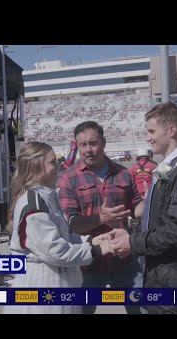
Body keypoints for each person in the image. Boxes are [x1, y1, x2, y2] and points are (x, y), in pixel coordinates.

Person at [107, 101, 177, 314]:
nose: (148, 137)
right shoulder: (168, 168)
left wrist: (132, 243)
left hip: (175, 278)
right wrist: (129, 233)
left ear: (171, 131)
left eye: (152, 131)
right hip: (160, 274)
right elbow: (157, 219)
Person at [2, 141, 112, 314]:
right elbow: (55, 251)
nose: (58, 165)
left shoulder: (46, 196)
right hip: (43, 290)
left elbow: (64, 235)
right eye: (52, 162)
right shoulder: (34, 203)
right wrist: (95, 250)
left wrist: (91, 241)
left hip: (59, 285)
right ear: (36, 166)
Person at [56, 120, 145, 315]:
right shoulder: (68, 178)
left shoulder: (123, 173)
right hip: (88, 264)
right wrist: (100, 219)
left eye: (93, 143)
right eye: (83, 145)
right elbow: (71, 224)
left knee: (142, 310)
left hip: (125, 261)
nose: (88, 149)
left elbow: (137, 205)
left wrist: (153, 202)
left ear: (103, 142)